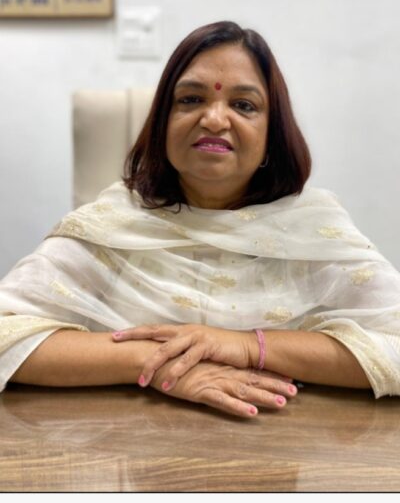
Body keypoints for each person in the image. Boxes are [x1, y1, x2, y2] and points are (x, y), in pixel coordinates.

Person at [1, 21, 399, 419]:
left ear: (272, 135)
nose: (214, 119)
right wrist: (156, 362)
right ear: (162, 124)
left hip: (286, 442)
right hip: (126, 441)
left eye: (243, 105)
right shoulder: (113, 225)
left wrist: (249, 346)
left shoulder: (314, 231)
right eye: (191, 99)